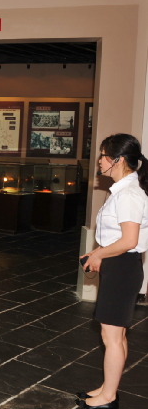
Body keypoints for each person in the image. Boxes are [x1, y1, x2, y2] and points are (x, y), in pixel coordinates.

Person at [77, 133, 148, 409]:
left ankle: (108, 399)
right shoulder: (122, 190)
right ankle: (108, 389)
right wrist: (100, 253)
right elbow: (117, 237)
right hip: (119, 266)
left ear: (117, 160)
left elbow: (129, 241)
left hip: (122, 267)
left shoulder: (129, 194)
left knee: (112, 336)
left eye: (104, 155)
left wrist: (98, 254)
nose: (99, 160)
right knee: (116, 335)